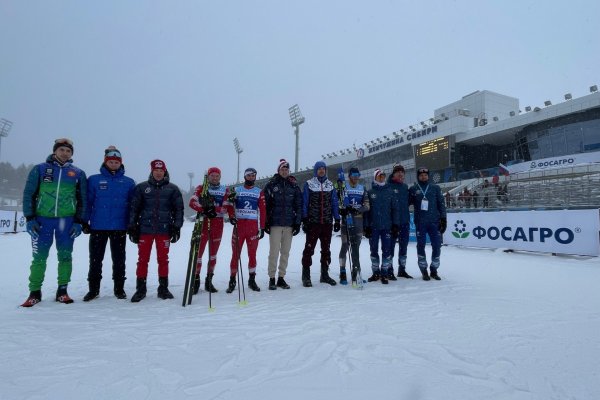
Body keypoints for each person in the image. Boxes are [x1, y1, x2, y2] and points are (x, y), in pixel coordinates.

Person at [21, 138, 87, 307]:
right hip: (43, 221)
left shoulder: (78, 173)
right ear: (55, 151)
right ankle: (34, 292)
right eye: (62, 150)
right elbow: (29, 194)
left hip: (66, 221)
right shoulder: (40, 169)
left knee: (65, 257)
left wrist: (79, 221)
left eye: (68, 151)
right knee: (39, 258)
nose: (65, 153)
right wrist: (30, 218)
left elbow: (83, 200)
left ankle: (62, 291)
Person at [83, 146, 135, 301]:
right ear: (105, 162)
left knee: (119, 260)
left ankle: (119, 289)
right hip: (98, 227)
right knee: (95, 260)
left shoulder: (128, 182)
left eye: (116, 162)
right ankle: (93, 290)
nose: (113, 164)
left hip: (119, 228)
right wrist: (84, 221)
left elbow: (133, 206)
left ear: (120, 163)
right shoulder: (94, 180)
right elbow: (87, 202)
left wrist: (132, 224)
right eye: (111, 161)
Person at [128, 160, 183, 302]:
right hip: (145, 230)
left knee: (163, 260)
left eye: (161, 170)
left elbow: (179, 210)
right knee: (142, 260)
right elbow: (134, 208)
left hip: (164, 230)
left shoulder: (173, 189)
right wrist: (132, 226)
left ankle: (163, 289)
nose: (158, 173)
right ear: (152, 171)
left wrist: (177, 227)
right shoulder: (141, 188)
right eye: (156, 170)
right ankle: (140, 289)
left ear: (165, 171)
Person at [189, 167, 234, 293]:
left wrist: (230, 216)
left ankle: (209, 281)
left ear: (220, 177)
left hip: (218, 224)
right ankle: (196, 280)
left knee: (213, 254)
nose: (214, 178)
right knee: (199, 254)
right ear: (208, 177)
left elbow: (227, 207)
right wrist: (204, 209)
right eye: (212, 176)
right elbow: (192, 202)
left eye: (217, 176)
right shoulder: (201, 188)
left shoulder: (225, 189)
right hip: (203, 223)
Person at [263, 159, 302, 290]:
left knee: (285, 252)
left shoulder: (294, 186)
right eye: (282, 169)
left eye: (286, 169)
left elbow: (298, 205)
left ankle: (281, 278)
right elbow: (265, 205)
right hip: (275, 224)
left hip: (289, 224)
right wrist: (266, 223)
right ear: (278, 170)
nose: (284, 171)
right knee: (274, 252)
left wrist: (297, 223)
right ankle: (271, 278)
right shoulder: (271, 185)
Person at [226, 167, 267, 293]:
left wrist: (262, 227)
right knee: (235, 255)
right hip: (239, 227)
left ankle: (252, 280)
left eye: (253, 175)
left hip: (253, 228)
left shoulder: (259, 192)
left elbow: (263, 210)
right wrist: (232, 217)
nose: (251, 177)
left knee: (252, 255)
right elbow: (229, 205)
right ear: (245, 177)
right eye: (249, 175)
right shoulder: (237, 190)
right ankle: (232, 280)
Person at [301, 160, 341, 287]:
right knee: (309, 249)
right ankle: (306, 276)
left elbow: (334, 203)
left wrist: (337, 219)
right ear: (315, 170)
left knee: (326, 249)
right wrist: (305, 219)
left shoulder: (330, 185)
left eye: (323, 168)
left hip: (327, 223)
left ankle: (324, 275)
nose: (322, 170)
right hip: (313, 222)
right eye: (319, 169)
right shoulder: (309, 184)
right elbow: (305, 203)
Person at [409, 167, 447, 281]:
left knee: (436, 245)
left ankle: (434, 270)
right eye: (421, 175)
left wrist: (443, 219)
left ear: (428, 176)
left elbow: (441, 204)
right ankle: (424, 270)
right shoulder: (414, 189)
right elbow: (404, 202)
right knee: (420, 246)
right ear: (418, 176)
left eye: (425, 175)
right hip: (420, 223)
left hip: (434, 222)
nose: (423, 176)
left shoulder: (435, 188)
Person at [363, 169, 399, 284]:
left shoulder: (390, 191)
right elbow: (367, 212)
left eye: (383, 176)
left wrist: (395, 224)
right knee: (373, 250)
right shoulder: (370, 192)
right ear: (375, 178)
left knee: (387, 250)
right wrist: (366, 226)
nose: (382, 178)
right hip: (374, 227)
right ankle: (376, 273)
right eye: (379, 176)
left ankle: (384, 273)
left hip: (387, 226)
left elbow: (395, 209)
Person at [337, 166, 369, 285]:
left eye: (357, 176)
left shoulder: (362, 188)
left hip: (358, 221)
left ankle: (356, 271)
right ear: (349, 176)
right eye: (353, 176)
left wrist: (358, 210)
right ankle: (342, 271)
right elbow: (339, 201)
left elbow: (367, 205)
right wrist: (343, 209)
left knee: (356, 247)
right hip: (347, 220)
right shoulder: (344, 186)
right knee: (345, 246)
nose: (355, 178)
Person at [387, 164, 412, 279]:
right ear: (394, 174)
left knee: (404, 247)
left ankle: (402, 270)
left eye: (402, 172)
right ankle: (389, 270)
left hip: (405, 222)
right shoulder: (388, 186)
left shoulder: (405, 187)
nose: (401, 174)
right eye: (398, 172)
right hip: (392, 223)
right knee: (390, 247)